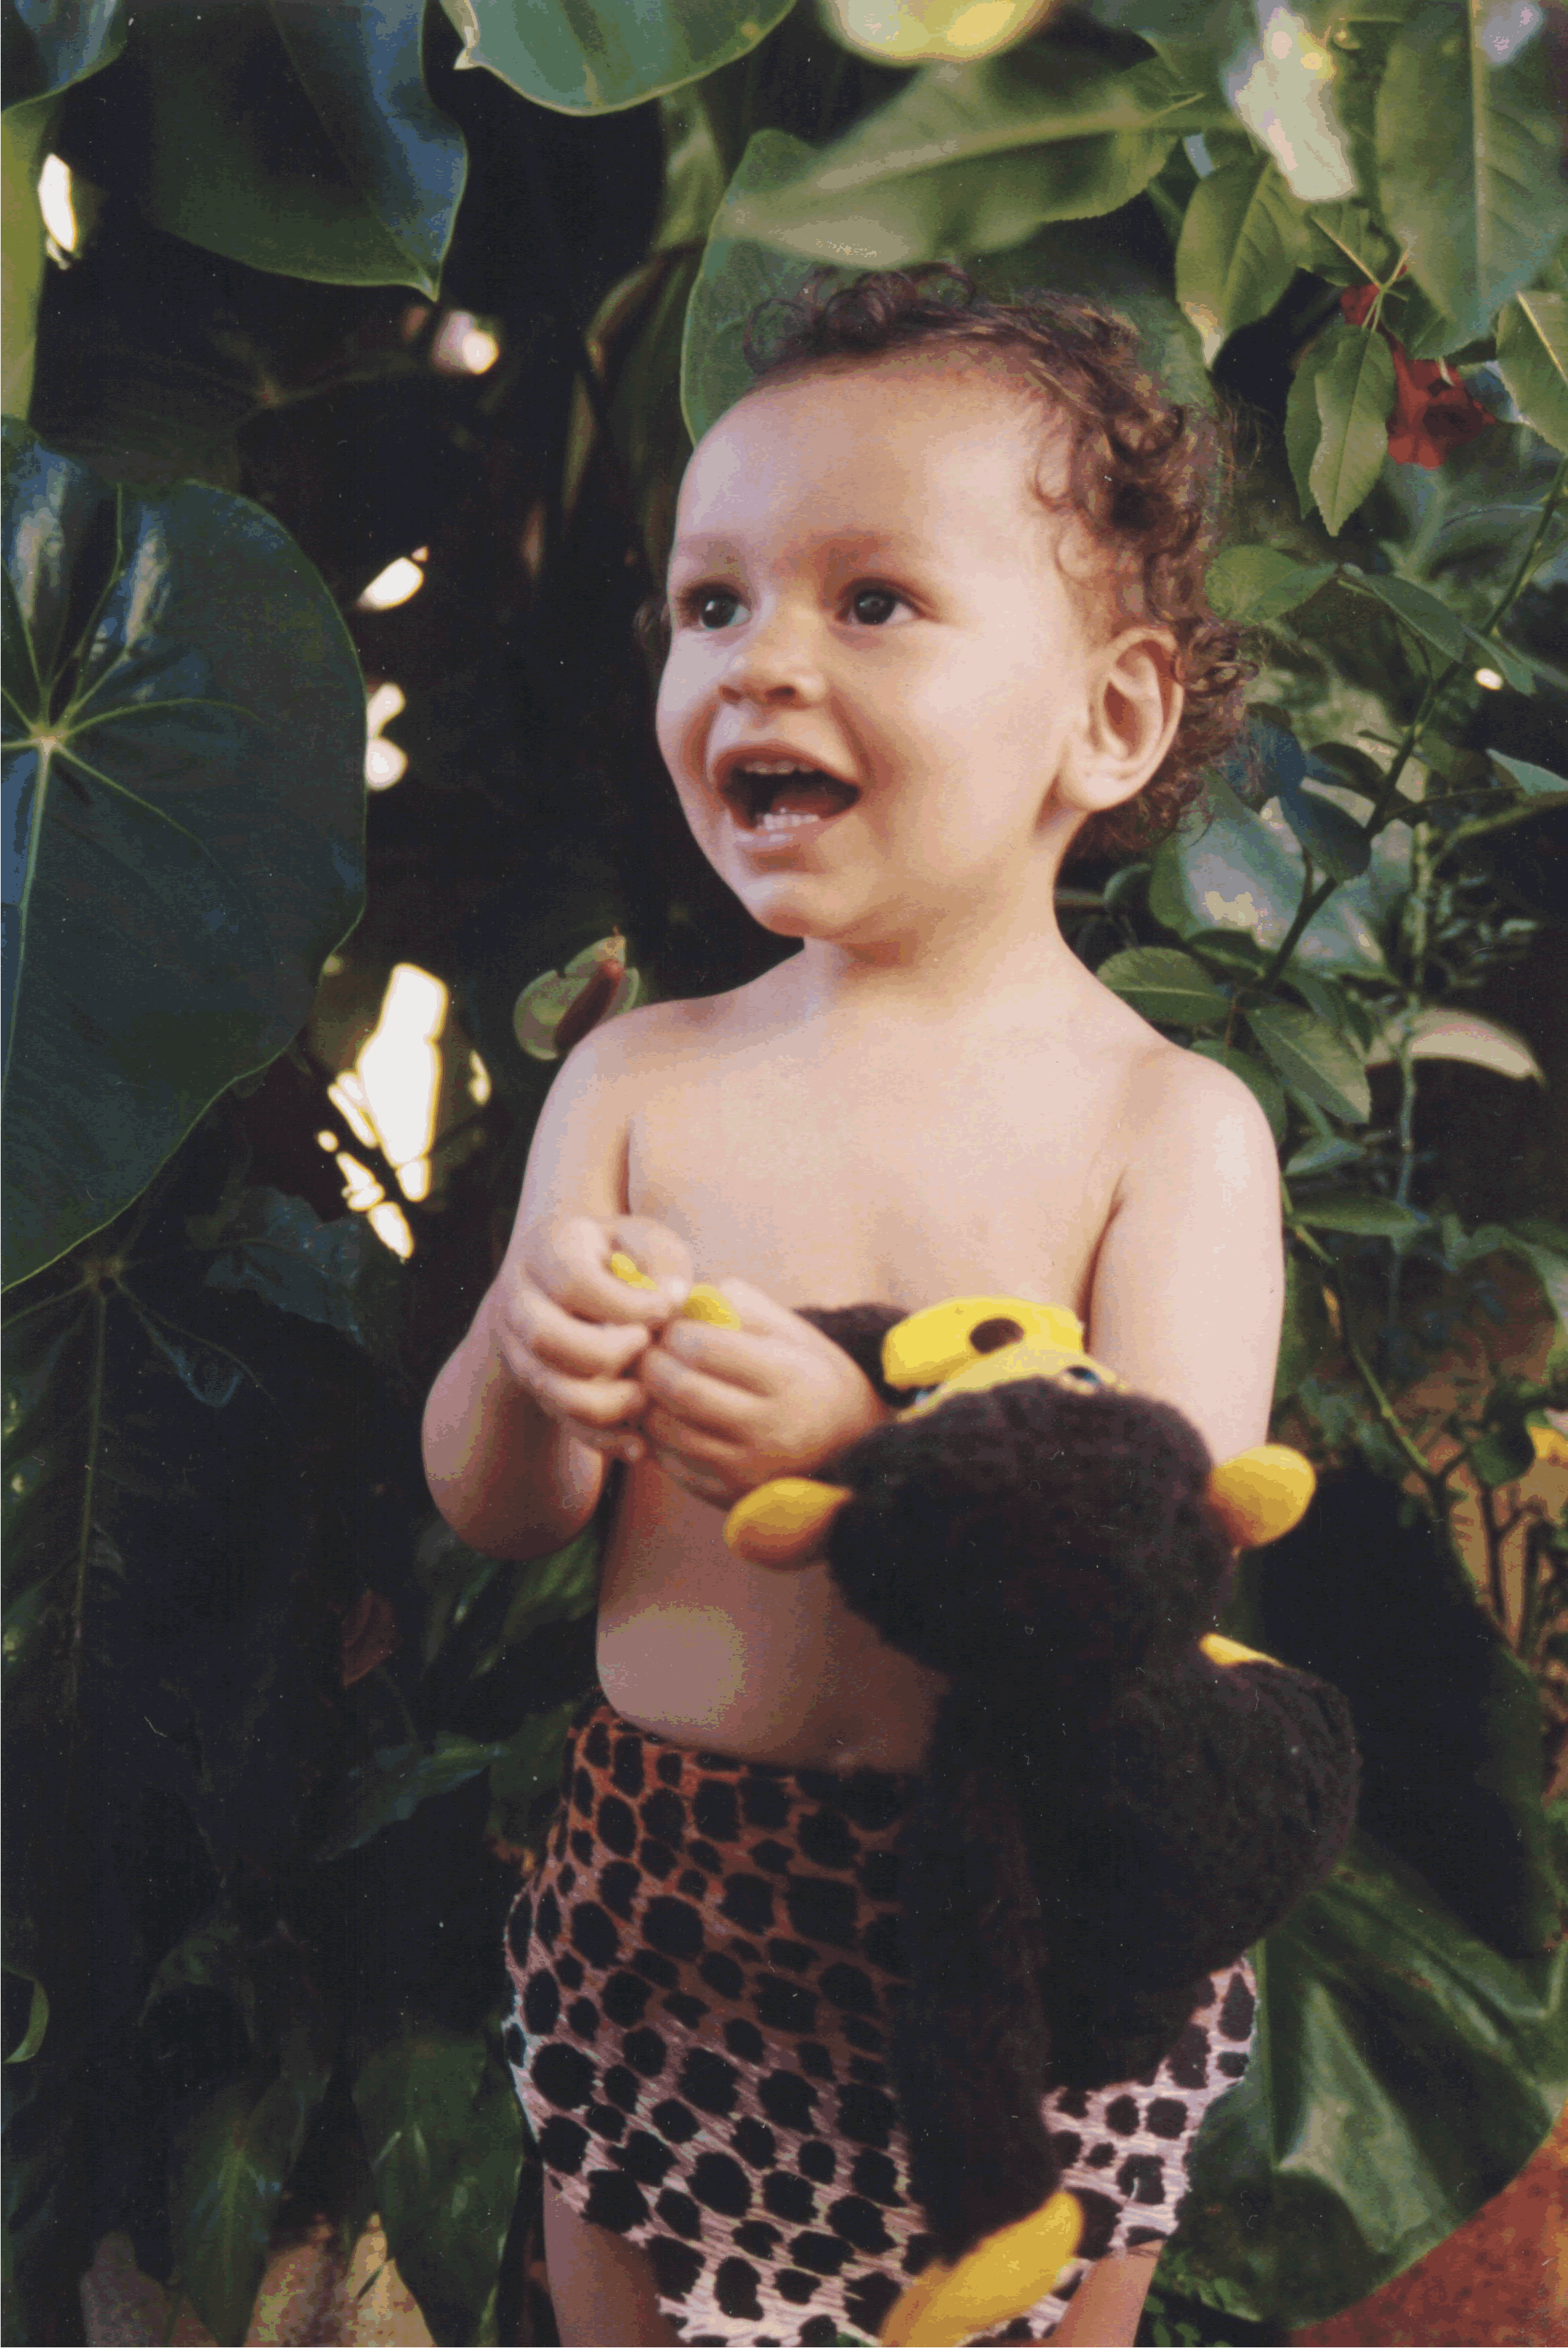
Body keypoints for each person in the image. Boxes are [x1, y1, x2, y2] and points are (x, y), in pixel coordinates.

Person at [422, 267, 1279, 2347]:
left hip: (1021, 1938)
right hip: (663, 1900)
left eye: (869, 601)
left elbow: (1134, 1586)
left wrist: (856, 1466)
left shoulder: (1159, 1130)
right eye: (710, 605)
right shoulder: (644, 1077)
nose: (758, 663)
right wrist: (519, 1364)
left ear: (1111, 715)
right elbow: (500, 1508)